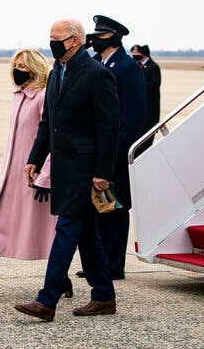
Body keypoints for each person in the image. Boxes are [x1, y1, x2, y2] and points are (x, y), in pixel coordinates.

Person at [14, 18, 119, 322]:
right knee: (87, 235)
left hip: (86, 170)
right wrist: (35, 158)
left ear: (74, 40)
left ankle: (46, 300)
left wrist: (102, 172)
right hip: (63, 168)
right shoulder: (56, 73)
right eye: (50, 37)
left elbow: (109, 128)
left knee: (66, 230)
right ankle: (104, 296)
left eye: (57, 37)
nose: (52, 42)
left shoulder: (96, 74)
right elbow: (49, 123)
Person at [0, 49, 73, 297]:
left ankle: (61, 280)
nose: (17, 70)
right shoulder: (17, 95)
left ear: (35, 68)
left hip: (34, 177)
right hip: (11, 174)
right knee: (1, 223)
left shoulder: (42, 96)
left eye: (23, 65)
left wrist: (46, 176)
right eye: (15, 65)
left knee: (46, 231)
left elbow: (53, 137)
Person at [75, 15, 146, 280]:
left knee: (115, 208)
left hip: (114, 152)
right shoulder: (96, 63)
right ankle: (98, 261)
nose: (95, 39)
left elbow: (133, 117)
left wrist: (116, 154)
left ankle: (114, 265)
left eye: (101, 35)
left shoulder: (127, 68)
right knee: (96, 208)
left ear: (115, 37)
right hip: (95, 151)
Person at [131, 44, 161, 149]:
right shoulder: (137, 65)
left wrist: (138, 85)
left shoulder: (153, 67)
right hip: (139, 109)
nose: (134, 55)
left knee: (147, 141)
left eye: (137, 53)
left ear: (143, 53)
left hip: (150, 109)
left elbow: (154, 84)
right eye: (133, 53)